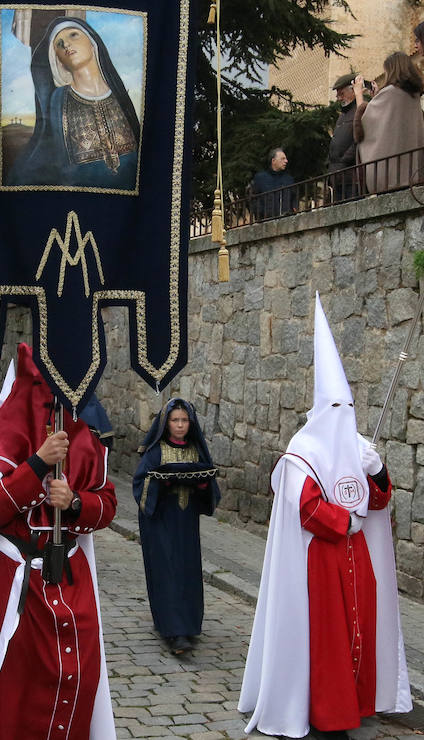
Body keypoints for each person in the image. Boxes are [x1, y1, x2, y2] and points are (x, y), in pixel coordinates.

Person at [239, 294, 411, 739]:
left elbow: (376, 500)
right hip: (322, 559)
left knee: (361, 628)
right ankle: (326, 712)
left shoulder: (357, 446)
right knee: (329, 636)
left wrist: (377, 470)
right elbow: (307, 505)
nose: (343, 417)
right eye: (336, 408)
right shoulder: (303, 450)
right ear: (321, 408)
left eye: (348, 408)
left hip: (358, 558)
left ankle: (357, 703)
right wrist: (343, 522)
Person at [0, 343, 117, 740]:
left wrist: (76, 502)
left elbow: (107, 503)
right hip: (17, 586)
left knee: (76, 678)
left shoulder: (84, 439)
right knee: (20, 692)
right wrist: (37, 464)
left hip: (72, 581)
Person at [7, 16, 140, 190]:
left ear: (93, 44)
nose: (66, 44)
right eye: (59, 44)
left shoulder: (119, 95)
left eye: (73, 35)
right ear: (58, 63)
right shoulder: (58, 100)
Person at [133, 398, 220, 655]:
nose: (180, 425)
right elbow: (141, 486)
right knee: (167, 571)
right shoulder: (156, 452)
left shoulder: (196, 450)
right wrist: (164, 483)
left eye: (184, 420)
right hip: (161, 522)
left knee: (188, 571)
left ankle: (190, 625)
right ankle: (173, 631)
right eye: (175, 420)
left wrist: (202, 484)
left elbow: (209, 487)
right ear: (166, 423)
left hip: (186, 524)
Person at [354, 51, 424, 192]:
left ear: (391, 70)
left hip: (390, 176)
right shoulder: (414, 95)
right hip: (412, 172)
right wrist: (379, 97)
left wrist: (358, 95)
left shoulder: (391, 92)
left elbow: (365, 121)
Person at [328, 73, 359, 200]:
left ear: (352, 91)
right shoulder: (342, 116)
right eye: (337, 95)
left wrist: (344, 160)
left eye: (341, 94)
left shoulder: (359, 109)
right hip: (337, 176)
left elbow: (359, 139)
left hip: (350, 176)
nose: (339, 98)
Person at [249, 147, 296, 218]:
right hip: (265, 221)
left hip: (287, 219)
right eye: (283, 159)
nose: (286, 161)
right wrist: (261, 213)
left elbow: (294, 198)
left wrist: (293, 209)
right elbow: (254, 198)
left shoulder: (289, 179)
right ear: (273, 161)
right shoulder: (260, 178)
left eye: (286, 158)